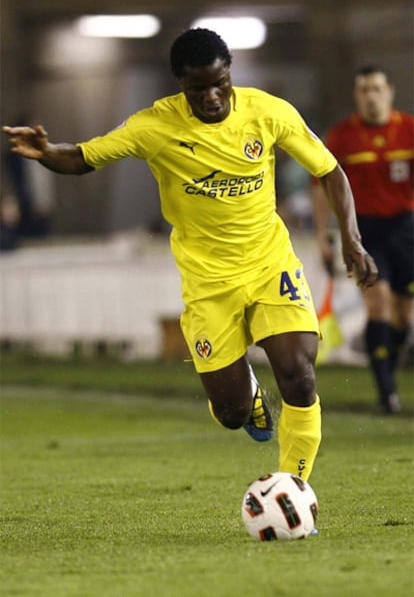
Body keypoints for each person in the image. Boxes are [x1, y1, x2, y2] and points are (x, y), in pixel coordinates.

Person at [2, 28, 377, 485]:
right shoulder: (154, 126)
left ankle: (293, 487)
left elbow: (330, 170)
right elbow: (83, 157)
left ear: (230, 74)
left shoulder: (268, 112)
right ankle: (248, 401)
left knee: (299, 374)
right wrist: (46, 152)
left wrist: (352, 238)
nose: (213, 96)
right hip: (207, 283)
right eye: (199, 89)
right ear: (180, 84)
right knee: (232, 411)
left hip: (269, 264)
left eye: (221, 83)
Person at [312, 65, 414, 414]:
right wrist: (323, 236)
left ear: (389, 91)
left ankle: (389, 367)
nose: (371, 95)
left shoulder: (409, 130)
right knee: (379, 303)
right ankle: (386, 392)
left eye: (376, 88)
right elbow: (321, 187)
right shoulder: (341, 136)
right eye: (364, 90)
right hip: (363, 231)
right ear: (356, 95)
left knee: (403, 315)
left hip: (406, 229)